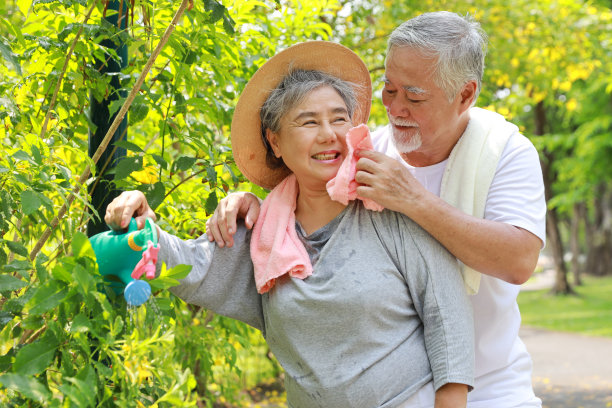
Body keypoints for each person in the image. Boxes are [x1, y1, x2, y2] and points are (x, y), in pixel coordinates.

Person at [105, 41, 475, 408]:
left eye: (339, 118)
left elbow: (448, 317)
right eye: (308, 121)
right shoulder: (264, 233)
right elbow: (189, 265)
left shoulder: (389, 208)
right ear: (275, 141)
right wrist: (142, 222)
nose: (328, 133)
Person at [206, 12, 546, 408]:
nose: (395, 108)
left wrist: (415, 200)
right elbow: (306, 211)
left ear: (465, 96)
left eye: (414, 96)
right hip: (398, 394)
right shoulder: (365, 151)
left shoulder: (504, 152)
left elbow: (520, 259)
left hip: (492, 386)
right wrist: (254, 207)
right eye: (388, 89)